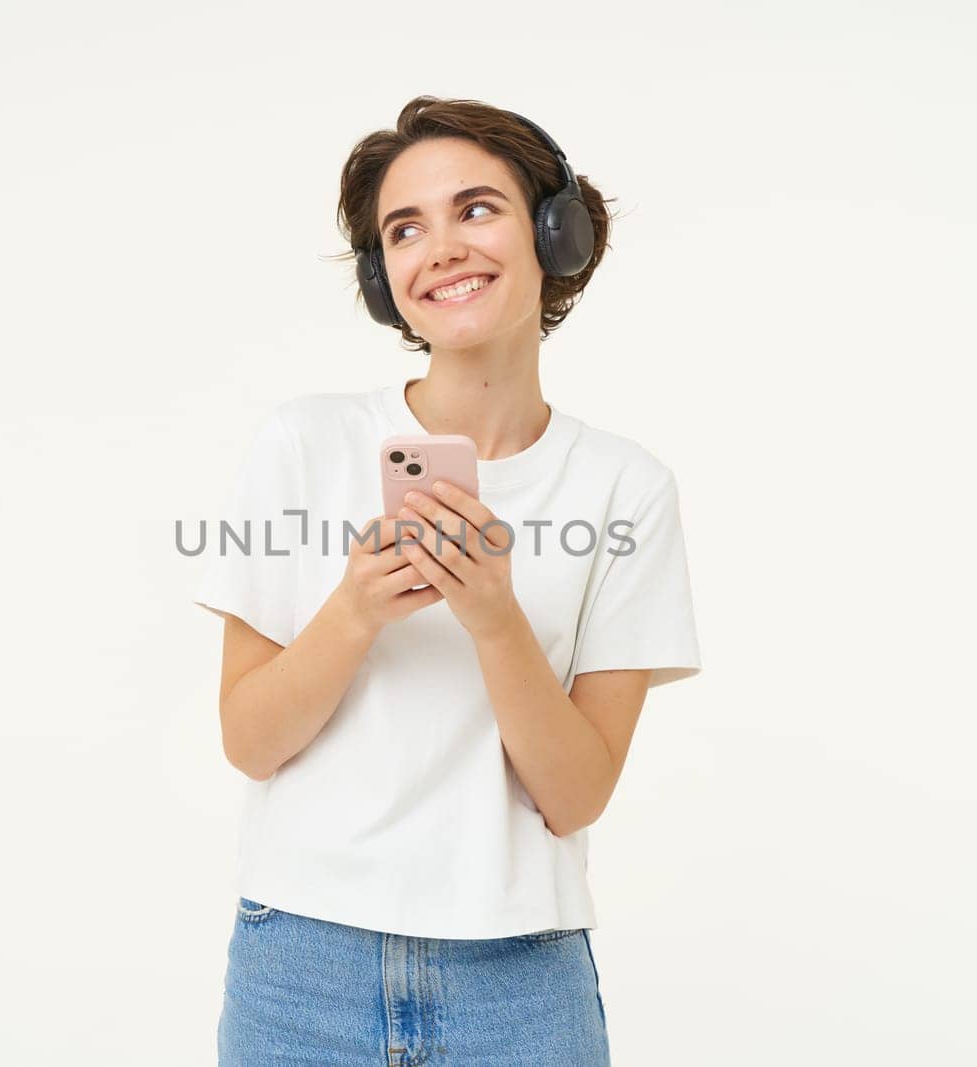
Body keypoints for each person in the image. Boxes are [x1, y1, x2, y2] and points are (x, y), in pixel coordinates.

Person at [192, 95, 702, 1066]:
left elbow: (576, 792)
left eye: (476, 209)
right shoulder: (305, 444)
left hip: (517, 978)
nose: (441, 248)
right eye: (404, 227)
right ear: (384, 280)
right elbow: (248, 740)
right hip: (302, 959)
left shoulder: (624, 486)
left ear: (556, 232)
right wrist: (354, 609)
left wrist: (495, 621)